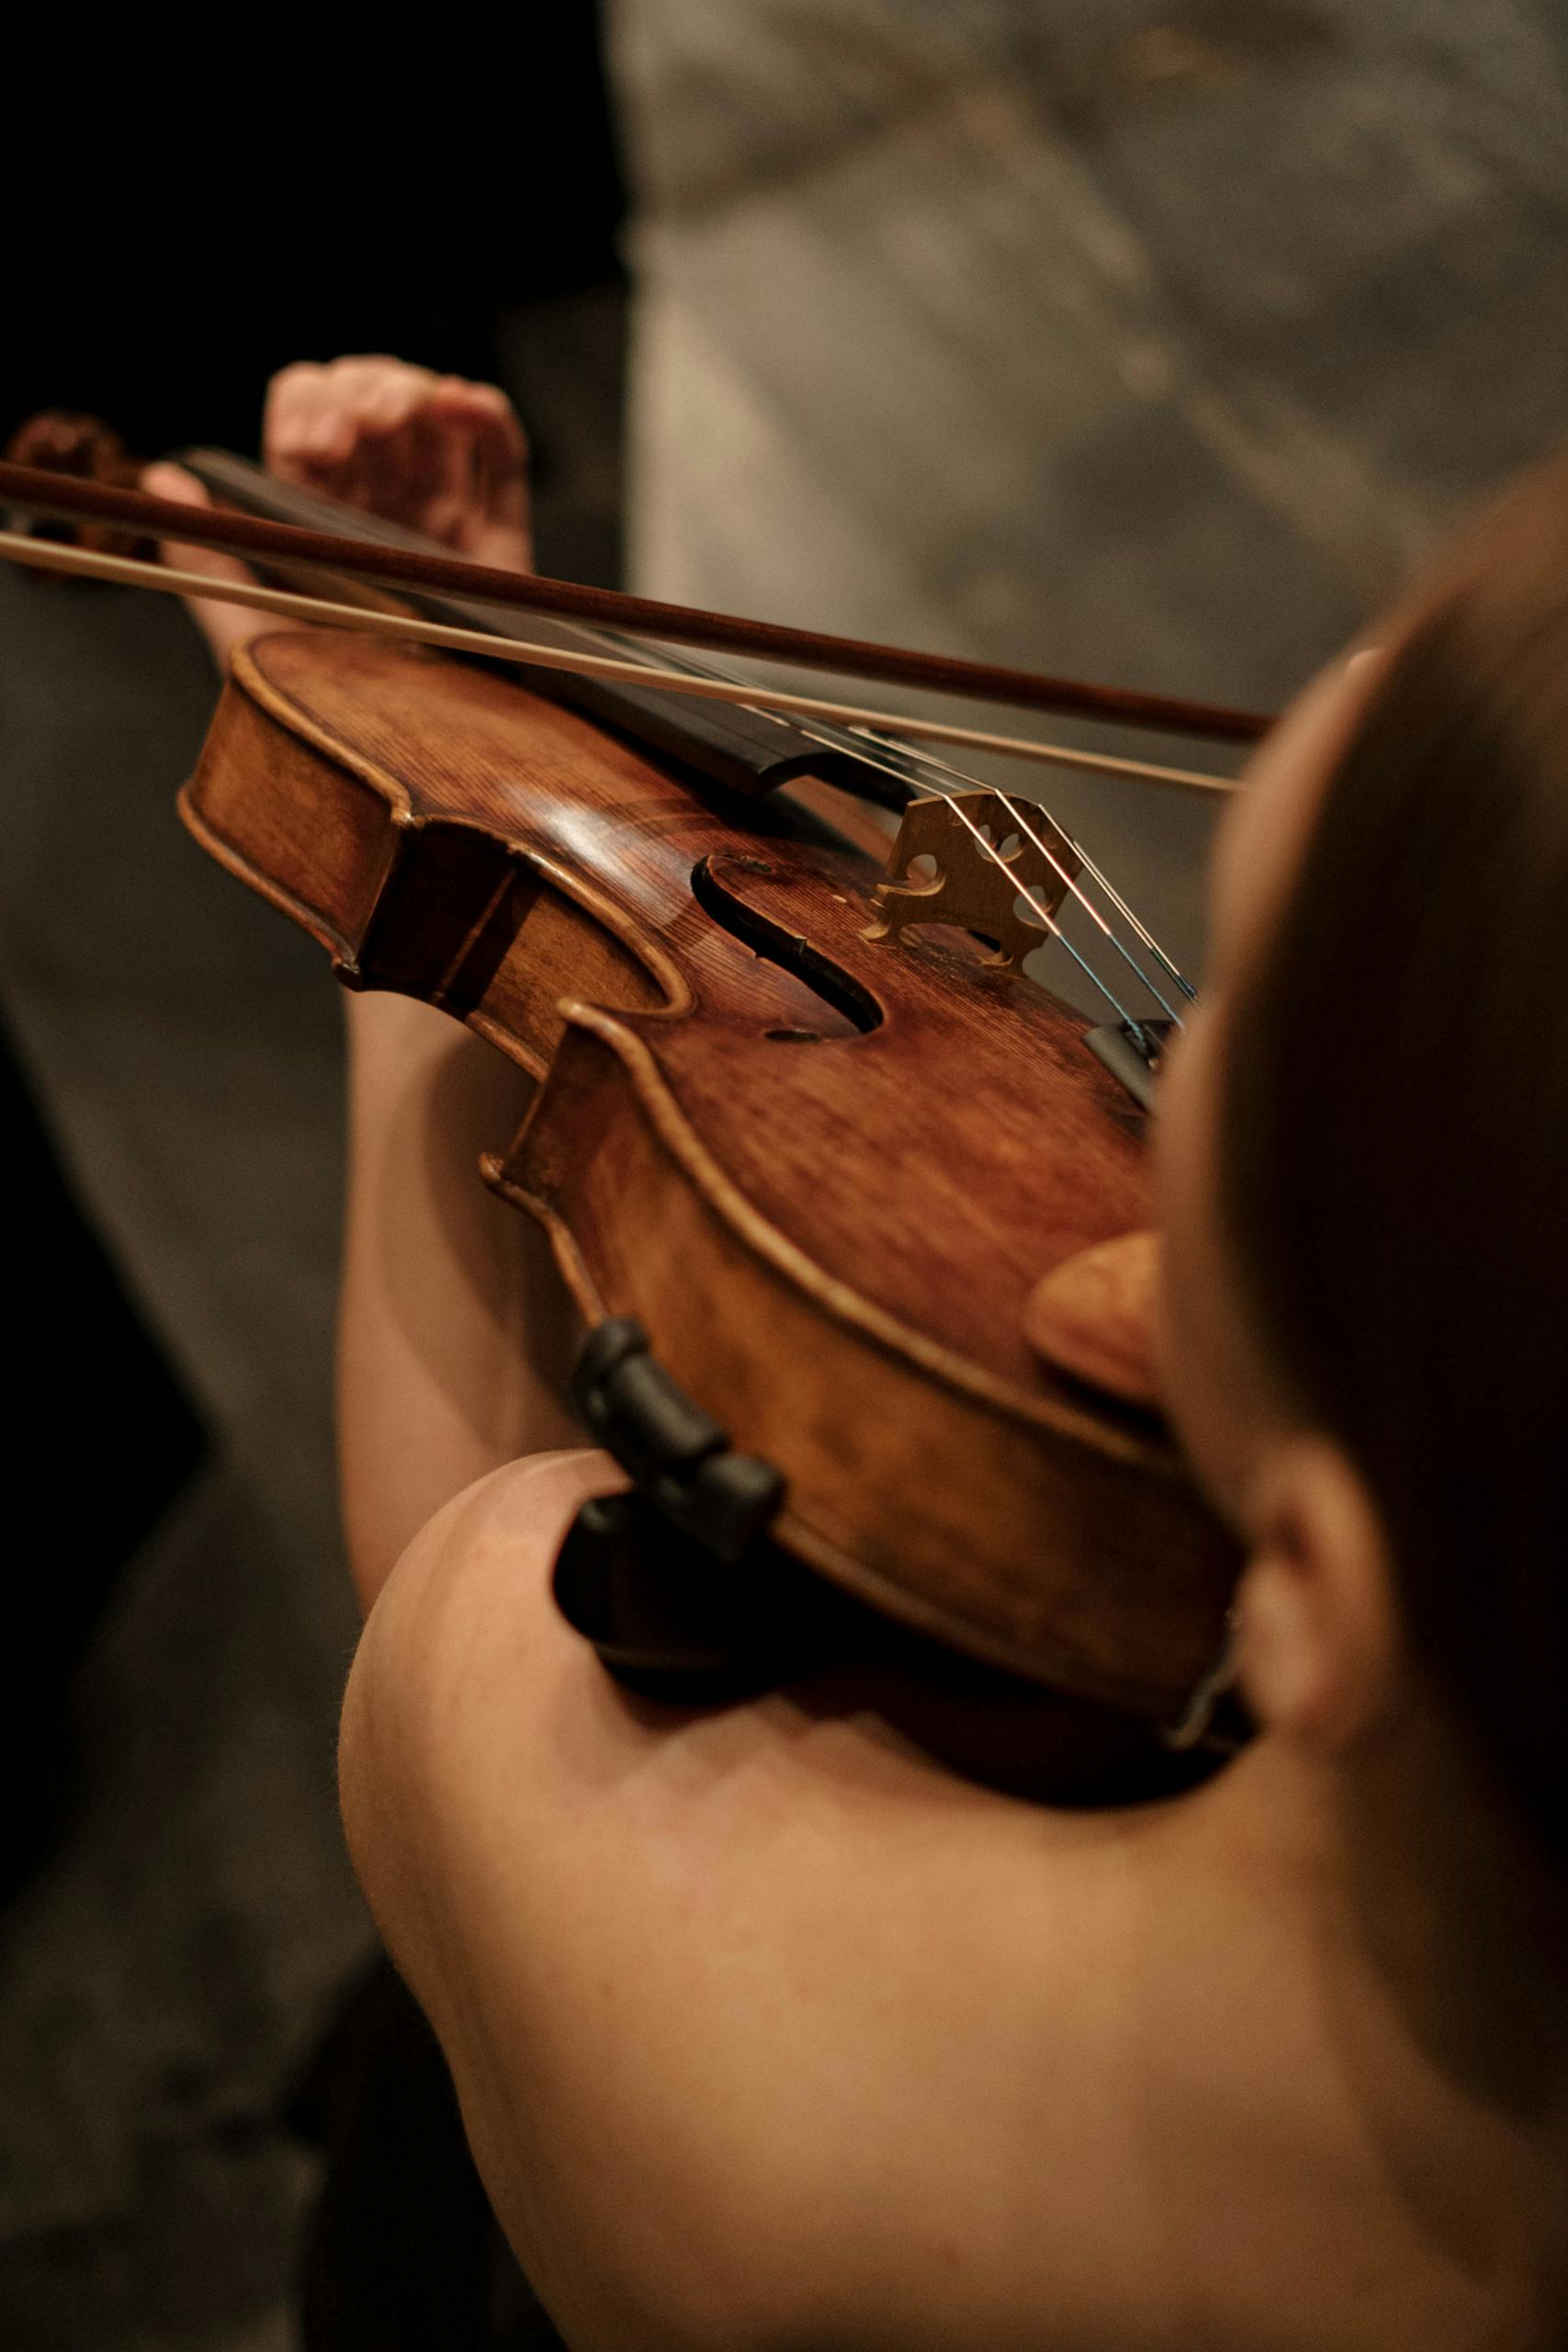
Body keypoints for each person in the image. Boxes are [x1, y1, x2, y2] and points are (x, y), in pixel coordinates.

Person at [162, 356, 1568, 2350]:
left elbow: (459, 1579)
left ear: (1316, 1596)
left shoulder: (807, 2106)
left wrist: (453, 828)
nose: (1130, 1033)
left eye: (1233, 1031)